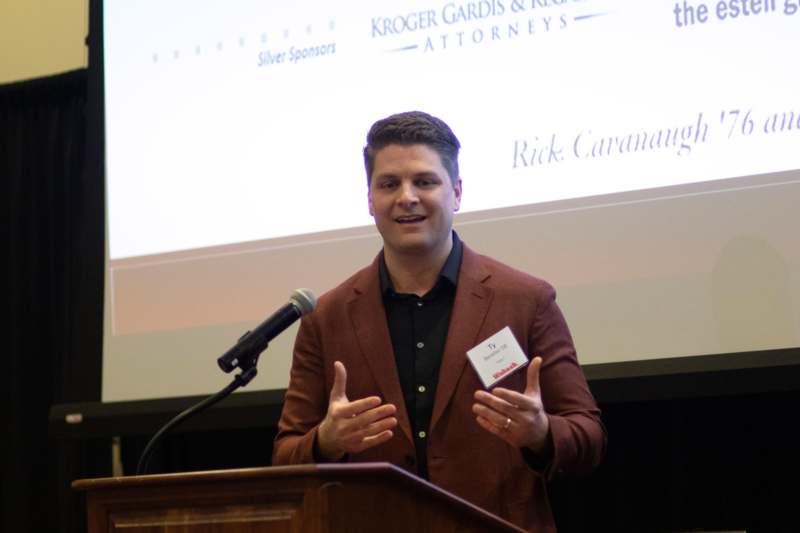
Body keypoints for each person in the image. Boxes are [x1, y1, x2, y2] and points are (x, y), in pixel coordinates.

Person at [272, 111, 606, 532]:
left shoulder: (525, 300)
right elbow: (285, 455)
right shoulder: (326, 317)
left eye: (425, 182)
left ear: (457, 193)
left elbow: (588, 438)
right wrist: (326, 442)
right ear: (370, 200)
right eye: (389, 184)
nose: (406, 197)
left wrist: (540, 434)